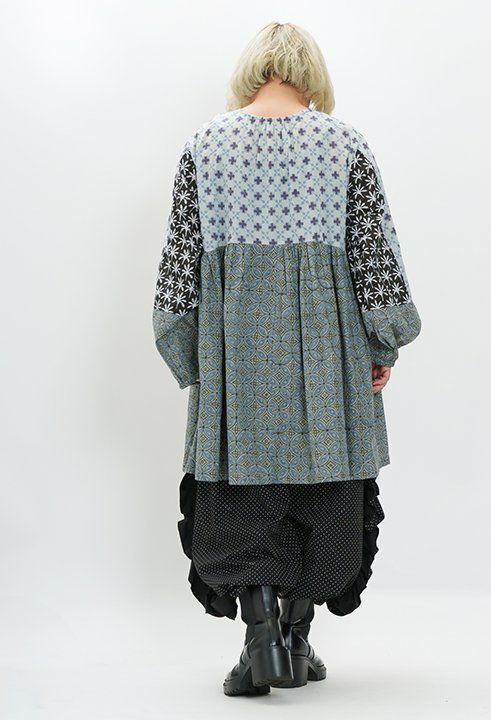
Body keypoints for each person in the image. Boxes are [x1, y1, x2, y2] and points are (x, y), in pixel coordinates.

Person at [152, 21, 421, 696]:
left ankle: (264, 639)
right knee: (326, 490)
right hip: (329, 353)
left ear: (252, 71)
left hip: (235, 355)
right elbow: (376, 259)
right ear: (311, 74)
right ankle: (296, 639)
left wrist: (188, 355)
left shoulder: (204, 146)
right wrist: (382, 342)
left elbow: (178, 271)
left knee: (240, 495)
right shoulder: (345, 144)